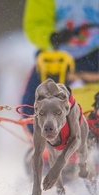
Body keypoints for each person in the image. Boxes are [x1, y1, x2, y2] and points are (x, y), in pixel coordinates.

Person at [21, 0, 99, 134]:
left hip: (94, 53)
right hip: (56, 55)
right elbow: (35, 25)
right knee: (31, 106)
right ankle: (45, 143)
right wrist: (52, 37)